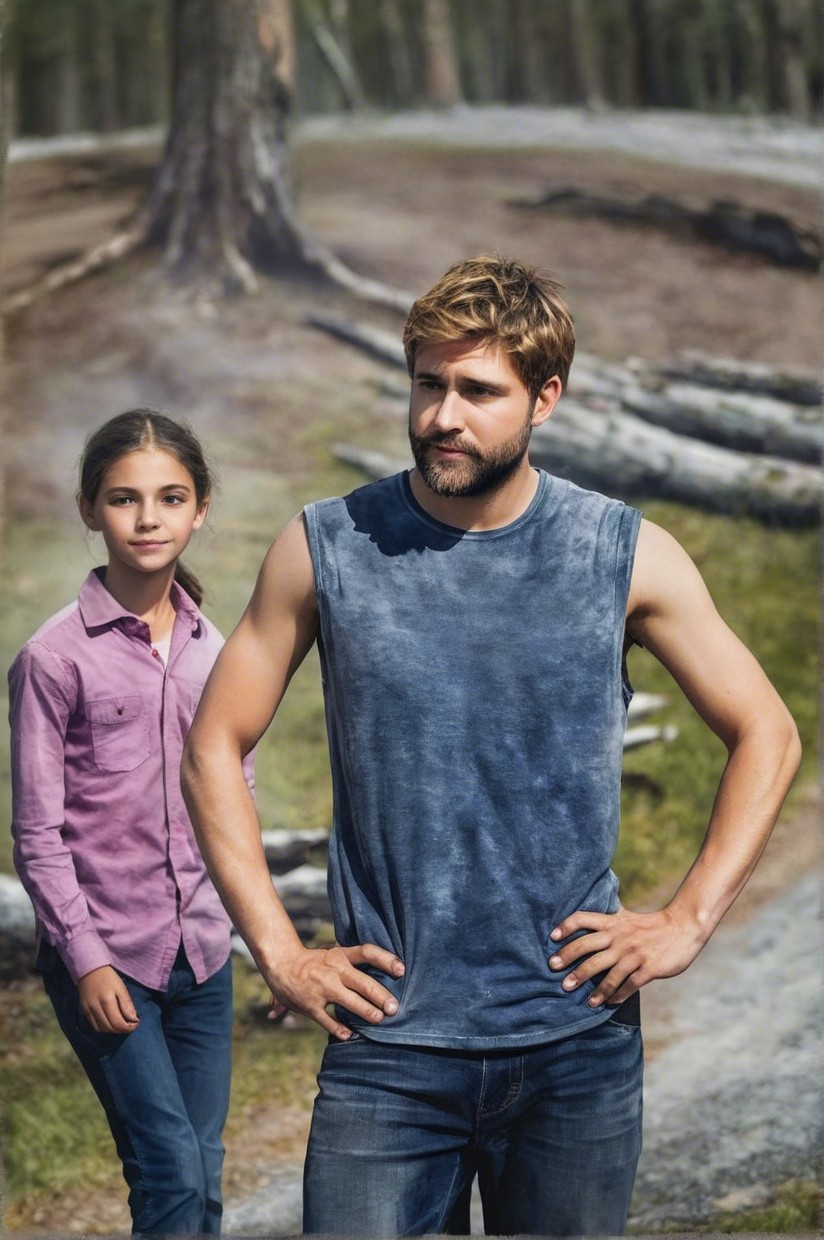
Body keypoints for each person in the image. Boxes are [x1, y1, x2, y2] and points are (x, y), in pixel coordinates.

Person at [181, 256, 800, 1237]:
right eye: (428, 384)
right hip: (387, 1045)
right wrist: (278, 951)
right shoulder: (327, 545)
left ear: (543, 397)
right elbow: (212, 743)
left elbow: (765, 730)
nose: (441, 416)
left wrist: (684, 919)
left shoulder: (619, 552)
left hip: (573, 1044)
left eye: (476, 391)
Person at [9, 409, 251, 1236]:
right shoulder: (54, 657)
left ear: (200, 509)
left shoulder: (217, 650)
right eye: (124, 498)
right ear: (89, 510)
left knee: (204, 1177)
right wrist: (86, 962)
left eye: (170, 497)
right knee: (171, 1176)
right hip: (111, 963)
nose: (148, 518)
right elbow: (38, 835)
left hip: (205, 957)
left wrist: (265, 940)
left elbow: (235, 807)